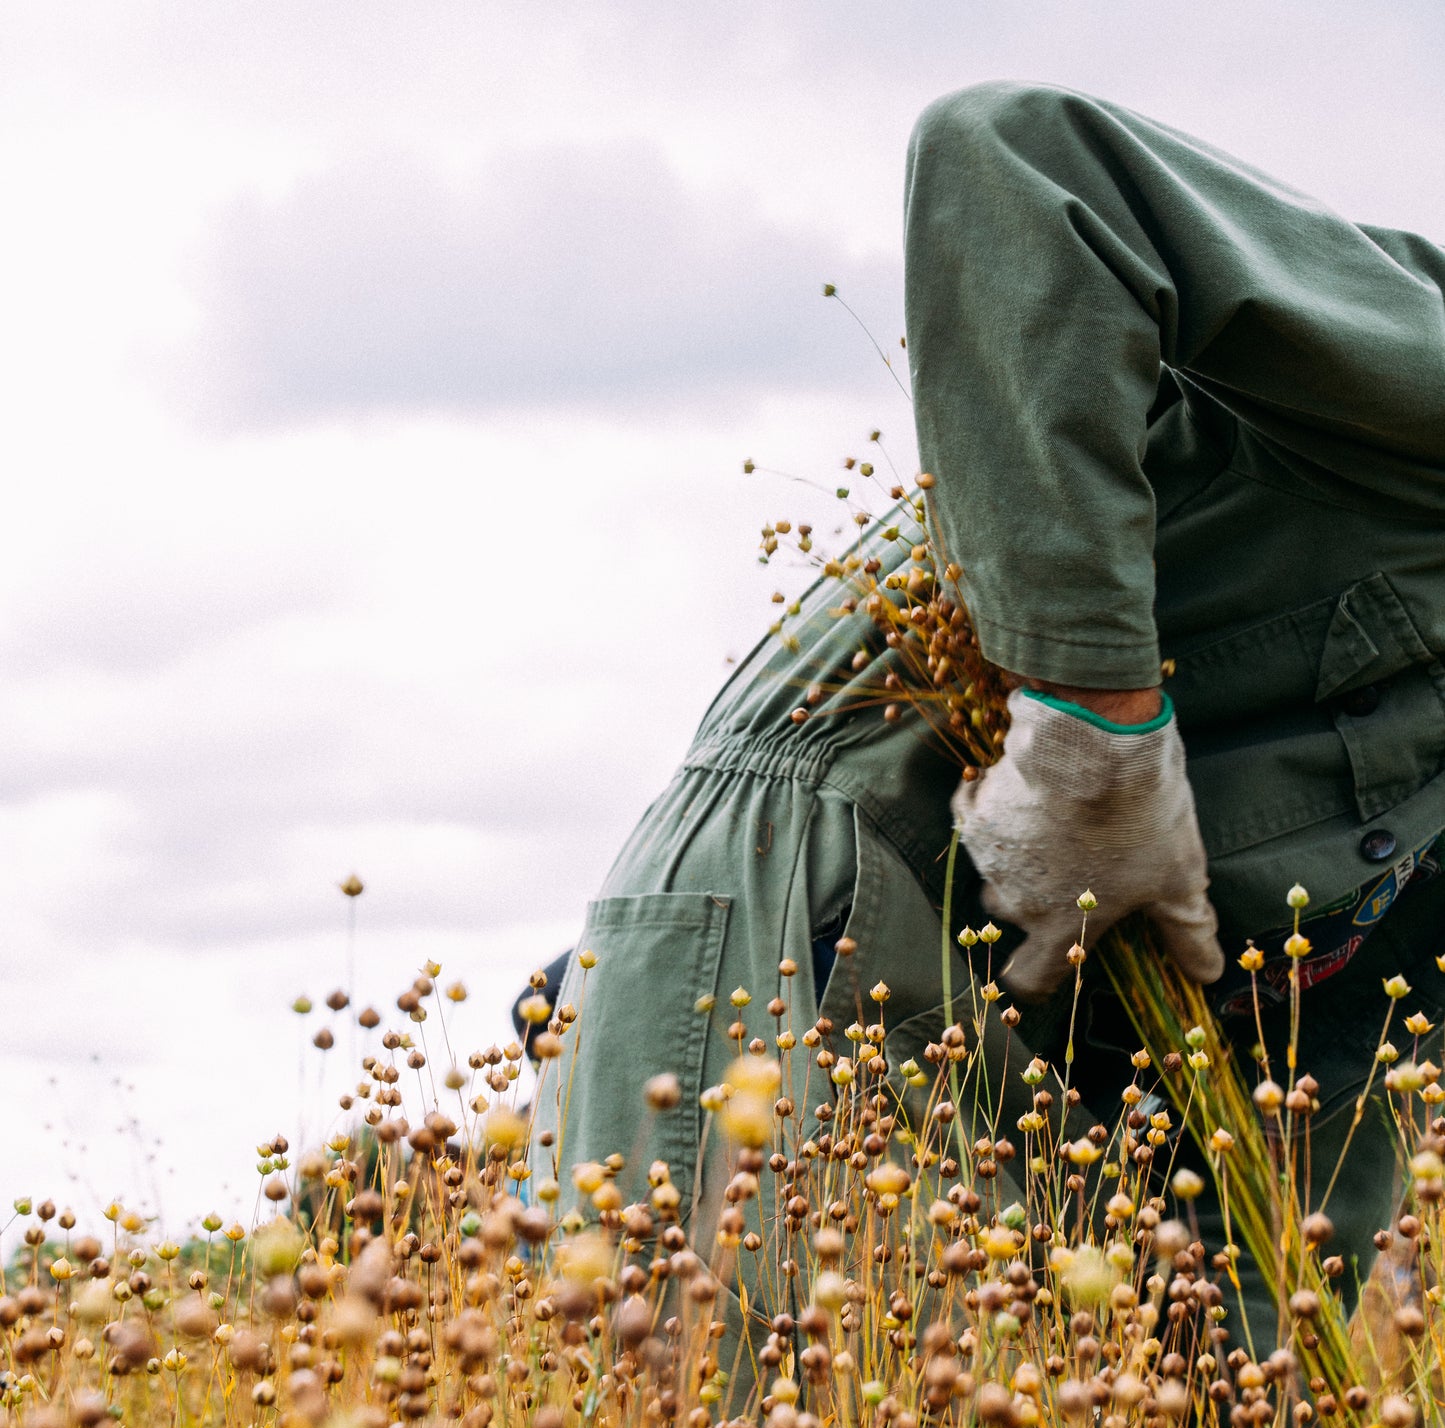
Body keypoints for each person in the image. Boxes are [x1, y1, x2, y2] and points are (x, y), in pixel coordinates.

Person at [524, 82, 1445, 1356]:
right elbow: (1009, 161)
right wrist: (1092, 731)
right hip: (809, 925)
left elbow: (1314, 1100)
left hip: (1028, 1042)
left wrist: (1265, 1374)